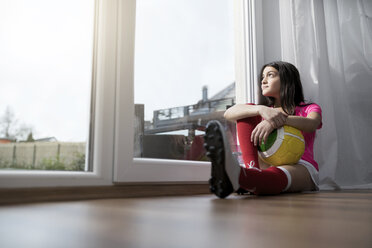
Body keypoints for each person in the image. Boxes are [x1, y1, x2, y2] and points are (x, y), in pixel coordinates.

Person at [204, 61, 322, 198]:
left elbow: (312, 123)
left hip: (300, 165)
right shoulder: (264, 112)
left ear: (287, 79)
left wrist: (276, 121)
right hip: (265, 163)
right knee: (247, 110)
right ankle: (249, 169)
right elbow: (228, 113)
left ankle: (239, 178)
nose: (263, 81)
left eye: (270, 75)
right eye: (262, 78)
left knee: (276, 177)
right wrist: (261, 109)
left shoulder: (308, 108)